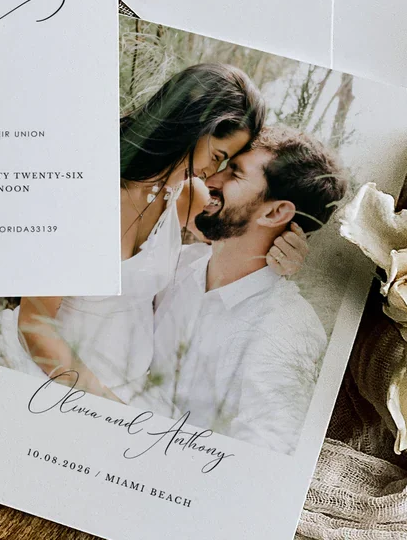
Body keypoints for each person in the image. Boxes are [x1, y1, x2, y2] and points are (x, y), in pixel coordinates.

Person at [0, 64, 307, 400]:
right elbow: (34, 322)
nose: (212, 173)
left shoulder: (187, 195)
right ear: (187, 126)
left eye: (225, 165)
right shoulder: (84, 193)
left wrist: (284, 257)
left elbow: (240, 246)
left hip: (132, 387)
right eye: (216, 156)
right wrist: (102, 402)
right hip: (52, 375)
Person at [145, 125, 347, 453]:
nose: (211, 180)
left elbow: (264, 453)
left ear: (275, 212)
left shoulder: (287, 327)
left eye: (235, 174)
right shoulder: (178, 265)